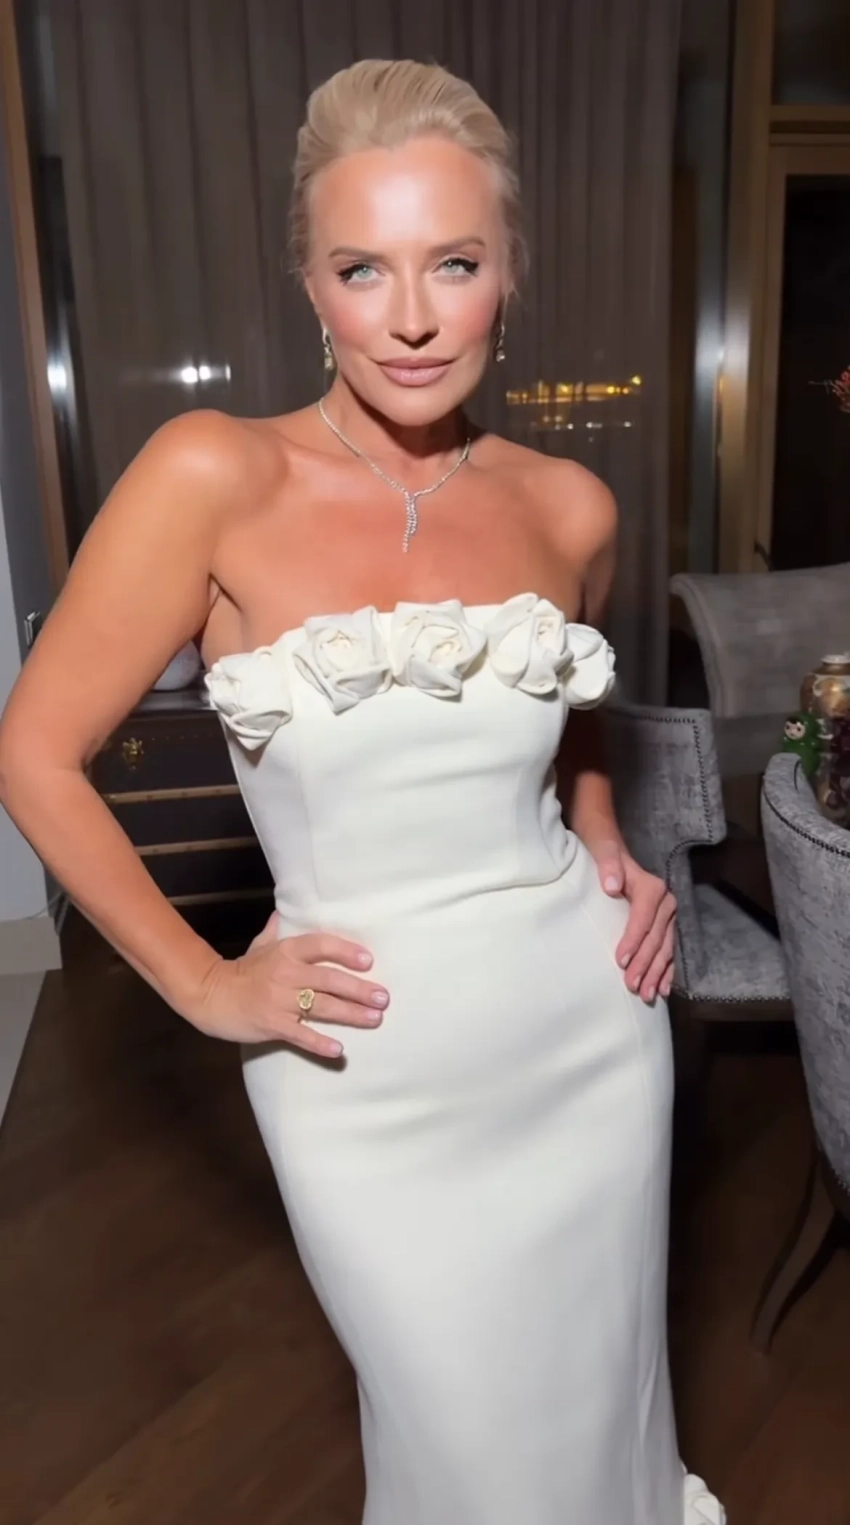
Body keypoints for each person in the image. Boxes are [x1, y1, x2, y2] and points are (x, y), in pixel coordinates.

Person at [0, 58, 723, 1525]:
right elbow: (34, 752)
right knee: (465, 1447)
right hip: (359, 1063)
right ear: (310, 286)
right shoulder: (212, 475)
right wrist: (204, 983)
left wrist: (605, 838)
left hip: (584, 1035)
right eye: (360, 269)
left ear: (509, 274)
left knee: (597, 1418)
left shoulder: (568, 505)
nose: (410, 317)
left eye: (452, 263)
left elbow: (569, 718)